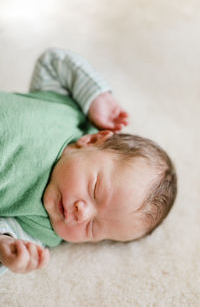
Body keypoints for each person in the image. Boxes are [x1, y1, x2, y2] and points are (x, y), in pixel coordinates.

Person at [0, 48, 177, 275]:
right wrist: (96, 98)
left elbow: (8, 235)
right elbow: (53, 62)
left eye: (92, 228)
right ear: (93, 139)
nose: (81, 214)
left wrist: (6, 250)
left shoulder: (40, 229)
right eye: (94, 190)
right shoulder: (70, 114)